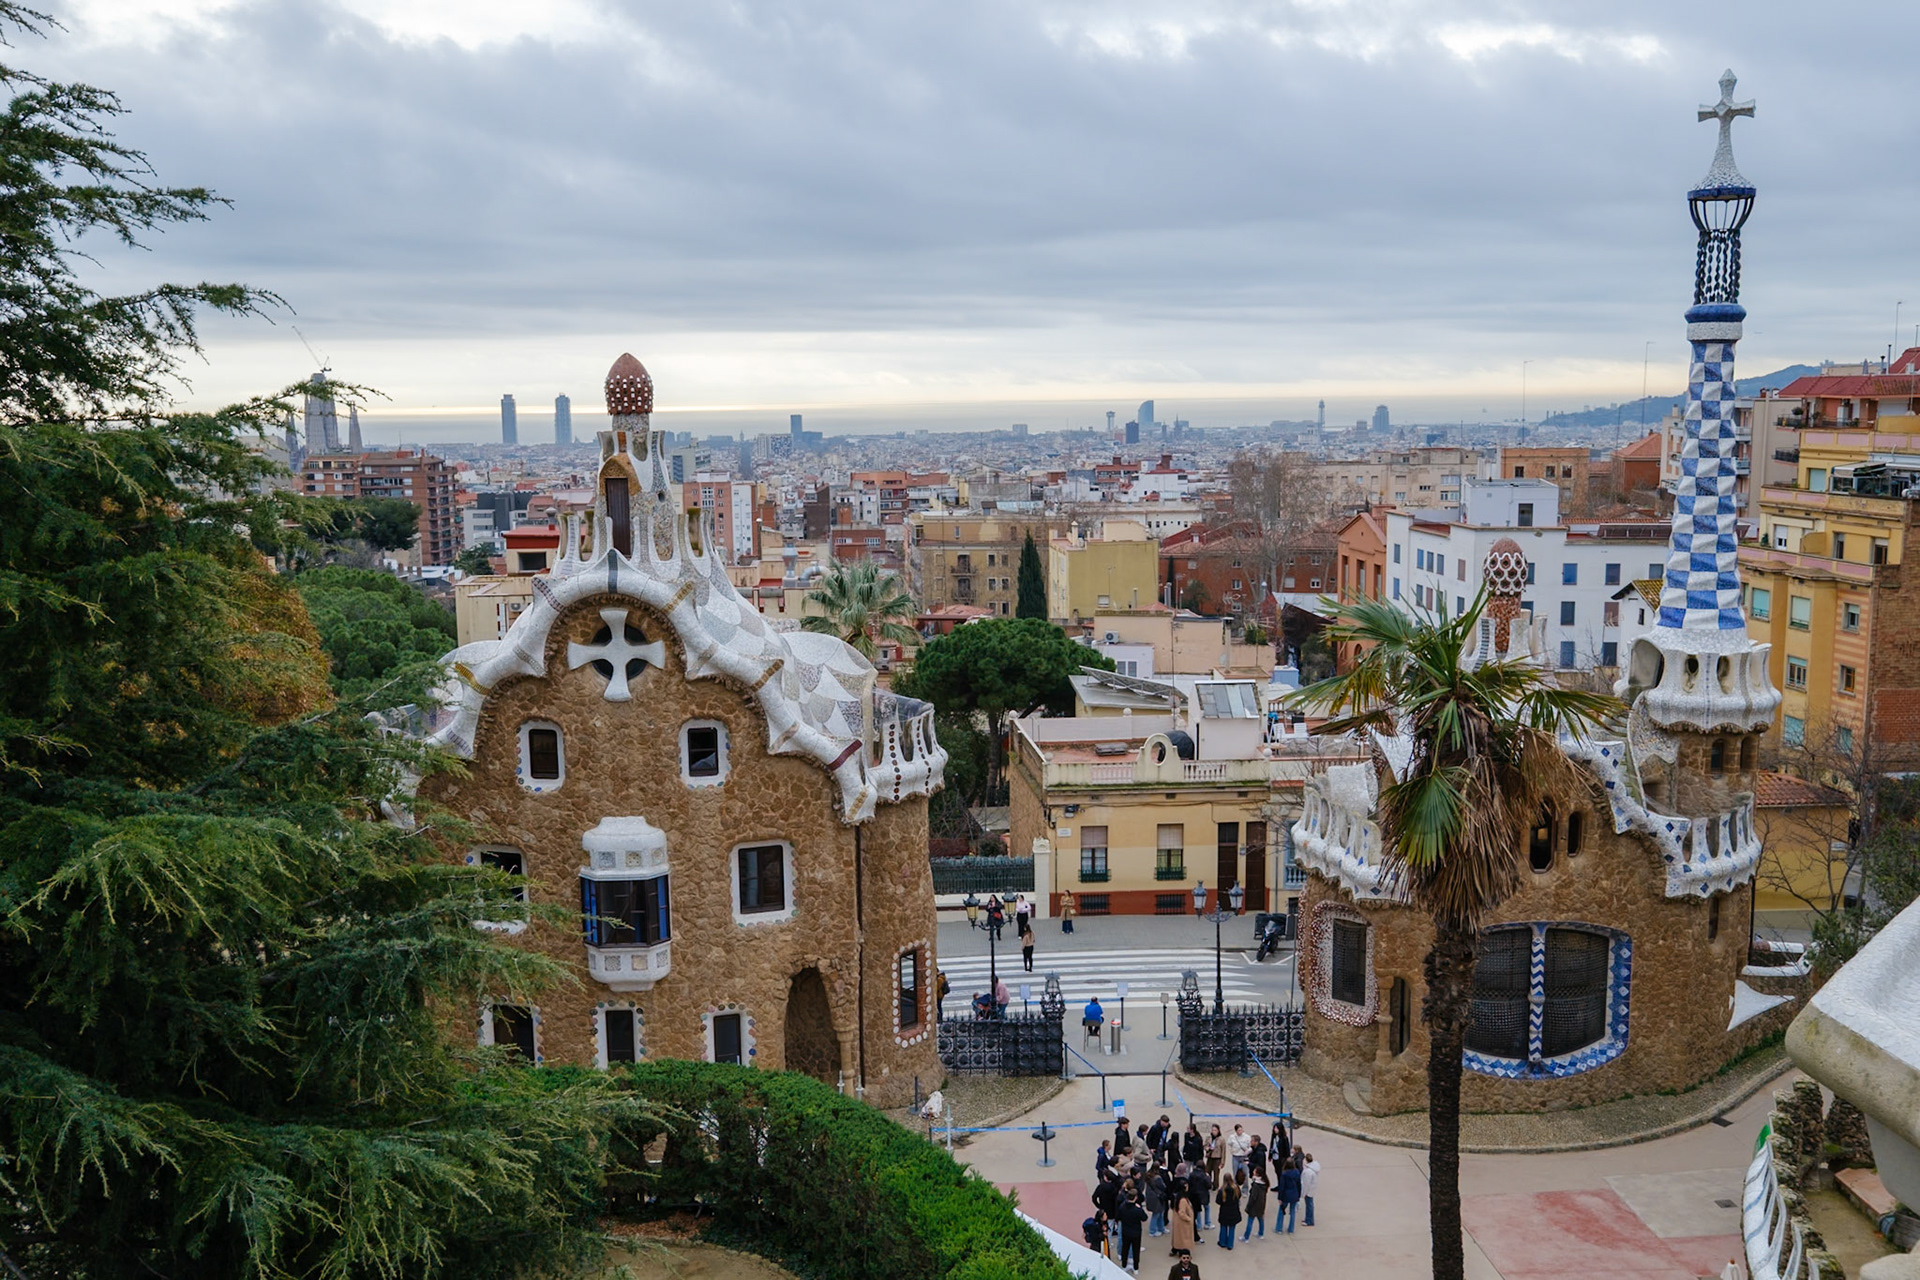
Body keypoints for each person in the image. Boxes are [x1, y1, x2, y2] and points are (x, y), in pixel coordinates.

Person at [1115, 1190, 1147, 1272]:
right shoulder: (1137, 1209)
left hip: (1125, 1231)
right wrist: (1140, 1208)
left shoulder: (1122, 1207)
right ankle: (1136, 1267)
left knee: (1125, 1249)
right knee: (1136, 1250)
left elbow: (1118, 1217)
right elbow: (1144, 1218)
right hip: (1136, 1232)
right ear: (1135, 1197)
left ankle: (1124, 1265)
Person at [1214, 1169, 1242, 1250]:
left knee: (1223, 1227)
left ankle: (1222, 1242)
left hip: (1224, 1212)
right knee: (1232, 1228)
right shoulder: (1236, 1189)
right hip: (1234, 1211)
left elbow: (1218, 1201)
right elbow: (1239, 1197)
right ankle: (1230, 1244)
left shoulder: (1222, 1190)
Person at [1277, 1151, 1302, 1233]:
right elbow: (1299, 1184)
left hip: (1285, 1195)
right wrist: (1298, 1195)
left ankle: (1279, 1228)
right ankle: (1291, 1229)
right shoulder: (1297, 1172)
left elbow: (1282, 1187)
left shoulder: (1284, 1174)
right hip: (1294, 1194)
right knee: (1292, 1212)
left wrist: (1280, 1197)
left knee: (1281, 1211)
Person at [1242, 1162, 1268, 1240]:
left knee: (1250, 1221)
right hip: (1261, 1204)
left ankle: (1246, 1237)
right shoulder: (1265, 1183)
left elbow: (1253, 1197)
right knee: (1260, 1219)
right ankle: (1261, 1233)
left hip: (1254, 1206)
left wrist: (1248, 1206)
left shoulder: (1256, 1185)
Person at [1186, 1159, 1212, 1230]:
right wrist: (1208, 1177)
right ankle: (1207, 1223)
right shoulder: (1204, 1175)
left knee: (1197, 1210)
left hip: (1195, 1195)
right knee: (1207, 1208)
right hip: (1204, 1195)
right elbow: (1209, 1185)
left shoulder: (1192, 1174)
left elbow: (1189, 1184)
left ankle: (1199, 1225)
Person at [1170, 1190, 1197, 1257]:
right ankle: (1183, 1253)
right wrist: (1189, 1219)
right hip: (1184, 1223)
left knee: (1179, 1238)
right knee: (1184, 1239)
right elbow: (1182, 1213)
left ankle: (1175, 1249)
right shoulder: (1183, 1200)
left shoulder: (1177, 1198)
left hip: (1179, 1223)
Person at [1144, 1166, 1168, 1238]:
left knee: (1159, 1213)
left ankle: (1161, 1228)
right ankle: (1153, 1230)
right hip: (1157, 1197)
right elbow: (1163, 1187)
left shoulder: (1149, 1177)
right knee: (1157, 1214)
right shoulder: (1157, 1178)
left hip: (1153, 1197)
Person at [1300, 1150, 1320, 1227]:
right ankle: (1308, 1218)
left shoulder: (1308, 1172)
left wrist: (1303, 1193)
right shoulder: (1314, 1168)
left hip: (1308, 1191)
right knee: (1309, 1205)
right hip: (1312, 1189)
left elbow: (1306, 1184)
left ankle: (1309, 1220)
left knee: (1309, 1206)